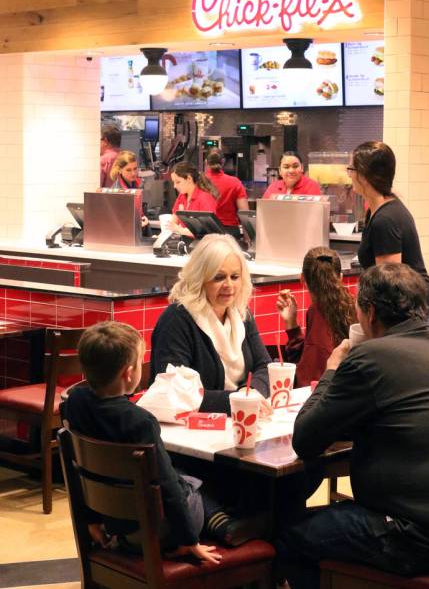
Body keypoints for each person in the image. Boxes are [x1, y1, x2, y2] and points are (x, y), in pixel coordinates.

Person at [276, 263, 429, 588]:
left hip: (413, 534)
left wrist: (333, 369)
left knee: (289, 532)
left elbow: (305, 440)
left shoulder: (371, 357)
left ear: (370, 313)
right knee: (323, 496)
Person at [61, 321, 266, 564]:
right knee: (190, 482)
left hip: (113, 524)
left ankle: (221, 521)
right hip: (158, 531)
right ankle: (220, 522)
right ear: (129, 373)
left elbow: (78, 469)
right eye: (140, 362)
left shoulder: (74, 403)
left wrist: (91, 520)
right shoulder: (140, 421)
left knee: (178, 475)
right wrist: (189, 542)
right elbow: (168, 487)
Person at [151, 234, 271, 414]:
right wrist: (236, 400)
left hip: (237, 418)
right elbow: (176, 390)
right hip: (186, 428)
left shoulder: (241, 313)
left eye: (235, 276)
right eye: (219, 277)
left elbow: (264, 367)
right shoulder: (177, 319)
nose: (229, 285)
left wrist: (252, 392)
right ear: (200, 278)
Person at [348, 141, 429, 319]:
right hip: (416, 311)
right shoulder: (378, 209)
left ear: (364, 175)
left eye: (351, 169)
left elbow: (389, 285)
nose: (349, 175)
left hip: (423, 316)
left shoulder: (385, 219)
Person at [276, 246, 356, 387]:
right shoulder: (355, 305)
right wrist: (292, 324)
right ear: (341, 278)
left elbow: (307, 381)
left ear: (302, 278)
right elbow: (308, 359)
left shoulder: (318, 313)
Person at [205, 151, 249, 239]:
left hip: (205, 232)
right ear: (223, 161)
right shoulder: (234, 182)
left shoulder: (198, 182)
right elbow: (244, 214)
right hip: (229, 234)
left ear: (206, 162)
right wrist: (247, 239)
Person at [169, 161, 218, 238]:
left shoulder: (205, 198)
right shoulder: (181, 196)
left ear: (189, 178)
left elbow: (208, 231)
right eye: (173, 182)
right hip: (186, 242)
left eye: (178, 182)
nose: (174, 186)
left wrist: (180, 230)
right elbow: (172, 223)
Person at [109, 150, 150, 233]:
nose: (133, 173)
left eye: (135, 168)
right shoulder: (117, 191)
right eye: (128, 170)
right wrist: (137, 224)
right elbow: (118, 221)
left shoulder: (135, 184)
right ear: (120, 170)